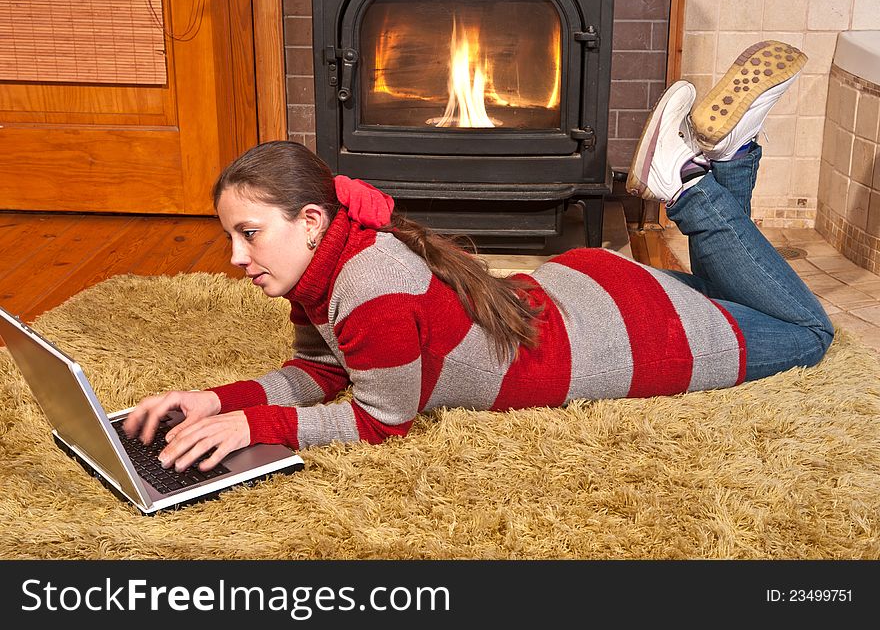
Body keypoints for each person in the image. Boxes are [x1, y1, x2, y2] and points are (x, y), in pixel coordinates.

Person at [124, 39, 833, 474]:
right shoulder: (332, 261)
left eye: (248, 232)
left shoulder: (371, 281)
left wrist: (255, 424)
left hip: (633, 336)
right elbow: (319, 370)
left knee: (810, 335)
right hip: (585, 292)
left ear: (311, 220)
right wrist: (217, 400)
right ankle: (722, 159)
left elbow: (378, 421)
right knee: (736, 291)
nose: (234, 255)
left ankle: (694, 193)